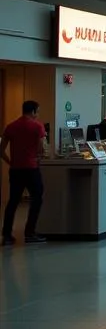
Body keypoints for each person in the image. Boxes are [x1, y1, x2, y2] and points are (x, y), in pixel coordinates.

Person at [1, 100, 47, 246]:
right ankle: (29, 233)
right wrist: (37, 157)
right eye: (37, 111)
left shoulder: (11, 126)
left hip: (15, 170)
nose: (37, 114)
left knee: (13, 201)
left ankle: (7, 235)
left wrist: (11, 162)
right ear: (33, 111)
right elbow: (41, 149)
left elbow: (1, 150)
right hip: (31, 168)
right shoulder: (37, 126)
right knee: (37, 198)